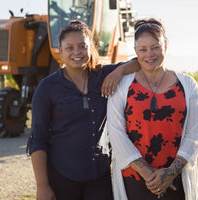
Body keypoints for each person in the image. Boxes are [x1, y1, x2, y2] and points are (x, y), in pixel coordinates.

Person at [27, 20, 139, 200]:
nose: (76, 52)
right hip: (63, 176)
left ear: (90, 48)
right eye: (69, 48)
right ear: (60, 52)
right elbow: (38, 139)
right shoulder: (47, 87)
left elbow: (138, 63)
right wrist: (42, 186)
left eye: (82, 46)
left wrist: (119, 71)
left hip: (99, 175)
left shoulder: (103, 75)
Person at [107, 18, 198, 200]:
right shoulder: (122, 86)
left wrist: (169, 174)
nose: (149, 54)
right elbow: (116, 133)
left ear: (165, 46)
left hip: (175, 179)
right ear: (135, 52)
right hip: (134, 179)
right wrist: (148, 175)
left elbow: (194, 134)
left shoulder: (188, 85)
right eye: (142, 49)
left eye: (155, 47)